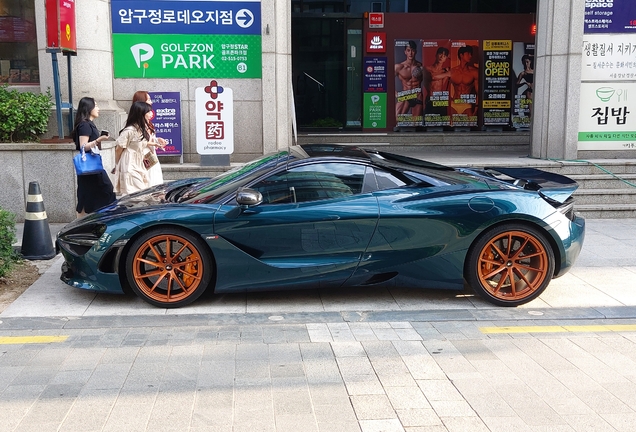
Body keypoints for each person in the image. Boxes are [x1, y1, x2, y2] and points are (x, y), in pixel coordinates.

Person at [72, 97, 116, 217]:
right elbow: (83, 146)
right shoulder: (84, 125)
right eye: (95, 105)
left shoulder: (89, 124)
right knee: (103, 191)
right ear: (88, 108)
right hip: (89, 167)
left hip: (92, 167)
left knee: (88, 196)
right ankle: (80, 225)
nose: (98, 108)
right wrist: (98, 140)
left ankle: (88, 222)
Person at [114, 101, 164, 196]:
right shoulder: (129, 130)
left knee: (144, 188)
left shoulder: (141, 128)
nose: (151, 114)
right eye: (148, 112)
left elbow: (142, 143)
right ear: (141, 113)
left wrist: (156, 143)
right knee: (134, 191)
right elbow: (119, 148)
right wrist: (117, 164)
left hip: (142, 159)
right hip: (130, 162)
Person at [131, 91, 166, 186]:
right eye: (149, 99)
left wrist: (157, 140)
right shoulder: (134, 125)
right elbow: (137, 143)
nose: (151, 102)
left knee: (154, 179)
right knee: (148, 182)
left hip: (151, 156)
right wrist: (154, 143)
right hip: (143, 156)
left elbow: (149, 139)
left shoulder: (147, 122)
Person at [394, 40, 424, 119]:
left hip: (417, 96)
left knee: (416, 123)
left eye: (412, 50)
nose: (410, 53)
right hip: (405, 97)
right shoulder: (399, 67)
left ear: (416, 52)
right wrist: (396, 94)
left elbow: (429, 80)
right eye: (408, 50)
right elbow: (387, 81)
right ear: (405, 52)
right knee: (397, 120)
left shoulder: (421, 67)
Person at [450, 45, 479, 118]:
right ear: (461, 55)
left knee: (468, 128)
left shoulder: (474, 72)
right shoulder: (452, 71)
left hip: (467, 105)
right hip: (454, 104)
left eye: (471, 54)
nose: (470, 56)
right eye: (468, 53)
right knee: (454, 128)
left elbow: (478, 92)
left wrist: (476, 108)